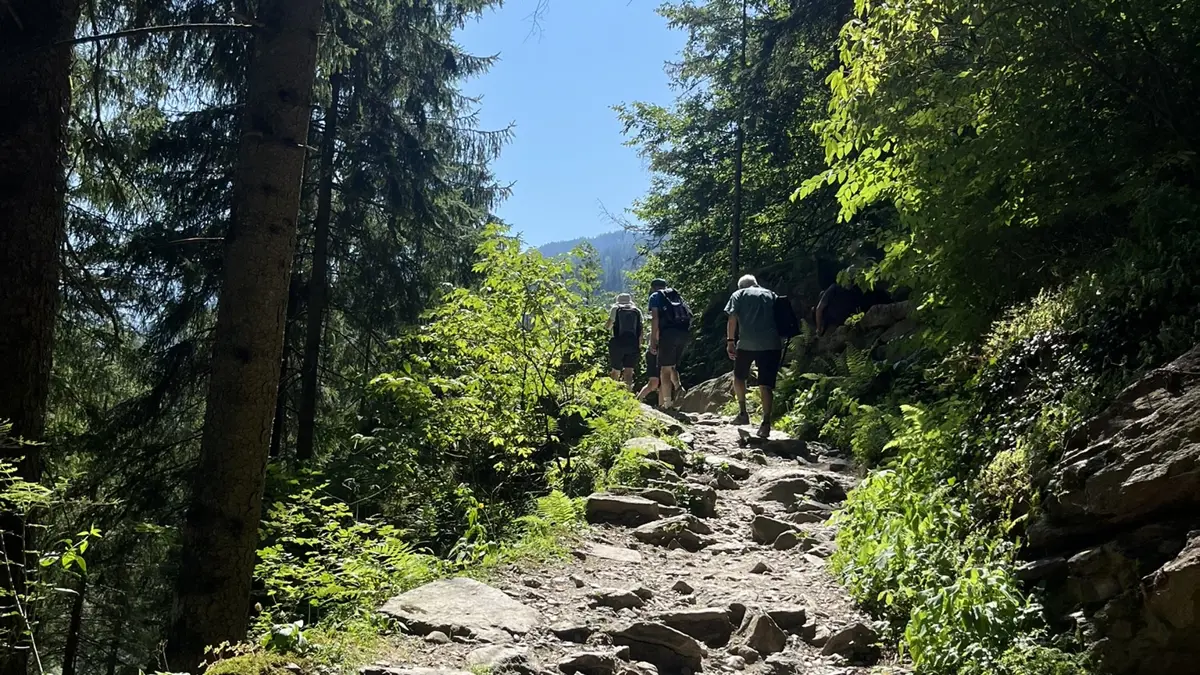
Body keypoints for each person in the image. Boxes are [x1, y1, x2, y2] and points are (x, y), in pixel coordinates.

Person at [725, 274, 783, 437]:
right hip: (772, 344)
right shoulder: (771, 295)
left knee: (739, 376)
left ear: (741, 286)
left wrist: (730, 341)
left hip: (747, 343)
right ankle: (766, 423)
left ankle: (743, 413)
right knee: (765, 384)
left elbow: (732, 318)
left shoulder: (739, 295)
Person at [647, 278, 692, 409]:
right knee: (671, 365)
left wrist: (653, 341)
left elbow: (655, 318)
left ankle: (667, 405)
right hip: (683, 333)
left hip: (668, 334)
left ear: (653, 287)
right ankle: (678, 387)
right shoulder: (675, 295)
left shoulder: (655, 297)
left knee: (664, 370)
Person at [605, 292, 643, 389]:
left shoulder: (615, 309)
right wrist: (639, 346)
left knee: (615, 371)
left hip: (618, 344)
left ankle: (612, 393)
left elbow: (608, 327)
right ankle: (628, 395)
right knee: (629, 372)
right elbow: (641, 331)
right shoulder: (637, 311)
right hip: (633, 344)